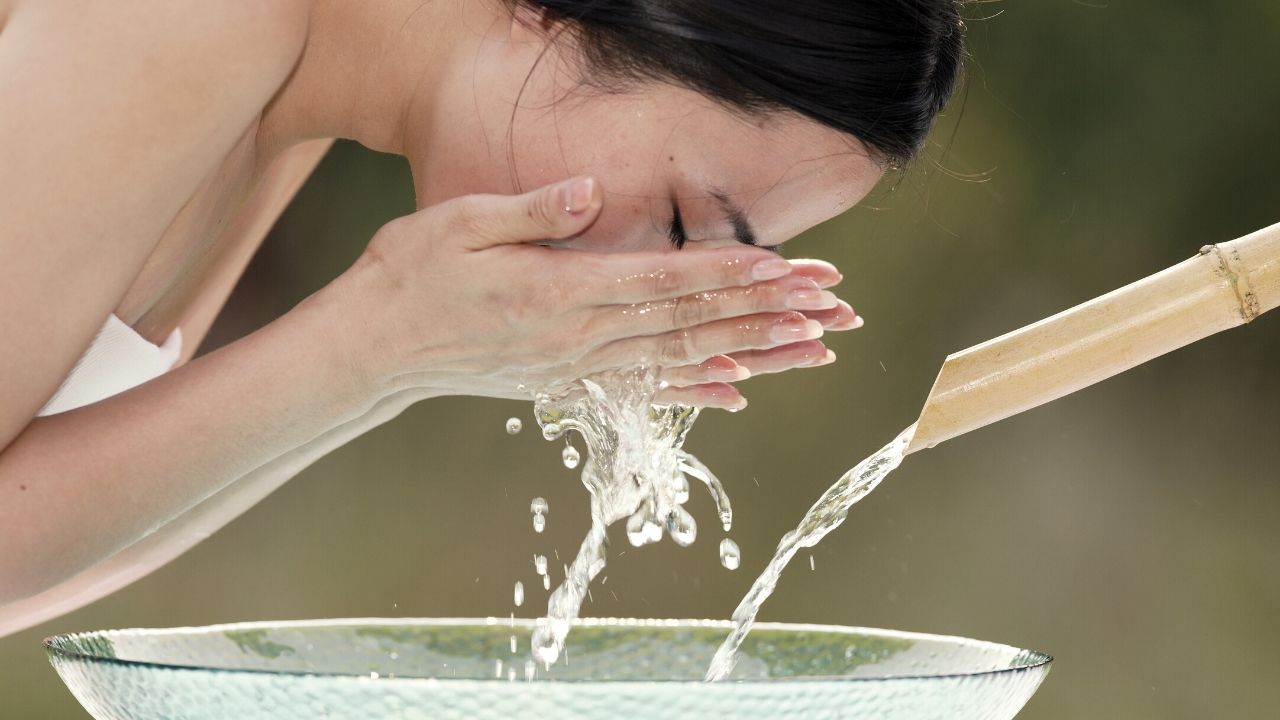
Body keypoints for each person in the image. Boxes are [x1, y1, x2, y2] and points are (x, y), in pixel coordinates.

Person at [0, 0, 963, 635]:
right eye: (680, 222)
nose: (650, 283)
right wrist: (371, 340)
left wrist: (411, 359)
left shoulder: (289, 104)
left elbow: (39, 563)